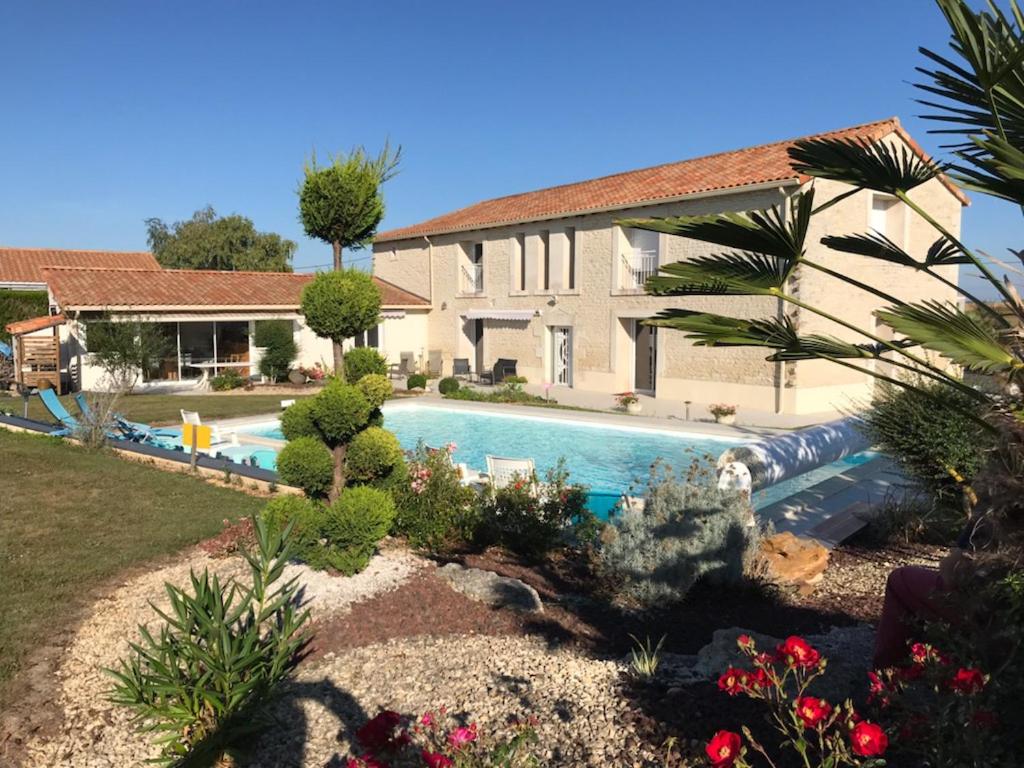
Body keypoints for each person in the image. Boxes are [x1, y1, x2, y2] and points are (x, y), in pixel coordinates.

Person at [872, 514, 993, 669]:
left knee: (900, 580)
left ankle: (888, 677)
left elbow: (953, 573)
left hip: (989, 614)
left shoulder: (998, 505)